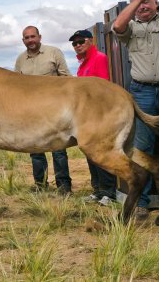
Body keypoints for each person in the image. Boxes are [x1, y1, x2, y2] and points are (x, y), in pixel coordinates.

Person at [113, 0, 159, 221]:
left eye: (147, 0)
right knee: (142, 148)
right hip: (143, 92)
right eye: (138, 2)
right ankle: (143, 204)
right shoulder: (131, 28)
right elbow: (117, 25)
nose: (143, 6)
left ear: (156, 2)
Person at [14, 25, 73, 194]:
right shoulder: (20, 60)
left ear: (39, 37)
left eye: (33, 36)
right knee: (36, 150)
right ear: (23, 40)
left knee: (58, 149)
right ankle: (40, 185)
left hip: (54, 110)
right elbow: (16, 86)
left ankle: (64, 187)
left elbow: (67, 78)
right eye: (27, 38)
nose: (30, 40)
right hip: (31, 112)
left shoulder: (54, 52)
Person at [69, 29, 118, 207]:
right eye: (74, 44)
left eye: (81, 41)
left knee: (101, 153)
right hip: (86, 116)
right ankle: (97, 190)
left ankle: (109, 193)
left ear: (90, 41)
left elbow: (102, 87)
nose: (77, 45)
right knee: (90, 153)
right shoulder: (82, 64)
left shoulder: (99, 58)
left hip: (98, 114)